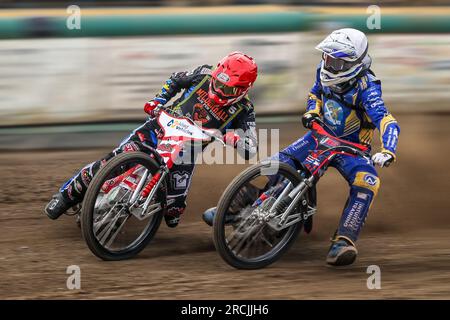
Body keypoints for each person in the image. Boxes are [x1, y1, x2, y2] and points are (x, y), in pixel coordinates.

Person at [203, 28, 400, 267]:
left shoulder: (368, 89)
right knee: (276, 163)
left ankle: (344, 240)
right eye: (327, 57)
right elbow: (315, 93)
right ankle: (239, 207)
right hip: (319, 135)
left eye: (336, 61)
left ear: (355, 64)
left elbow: (386, 120)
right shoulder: (323, 70)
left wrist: (388, 150)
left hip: (353, 148)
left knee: (367, 182)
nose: (329, 64)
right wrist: (312, 111)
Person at [45, 52, 258, 228]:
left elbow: (252, 147)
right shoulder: (202, 74)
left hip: (186, 152)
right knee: (113, 161)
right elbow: (175, 80)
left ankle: (141, 206)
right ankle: (65, 196)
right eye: (217, 83)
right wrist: (158, 100)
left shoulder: (244, 110)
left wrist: (236, 140)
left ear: (243, 90)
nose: (219, 90)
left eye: (227, 89)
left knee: (173, 213)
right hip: (157, 130)